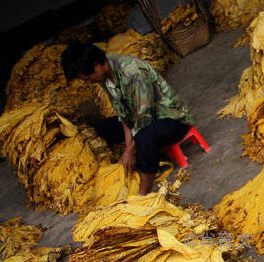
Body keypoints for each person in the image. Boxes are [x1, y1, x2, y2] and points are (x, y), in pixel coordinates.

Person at [61, 42, 192, 195]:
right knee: (101, 129)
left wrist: (129, 151)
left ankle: (143, 195)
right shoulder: (105, 76)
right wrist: (128, 149)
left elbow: (143, 120)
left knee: (144, 137)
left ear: (97, 65)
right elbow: (124, 116)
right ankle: (144, 159)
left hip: (173, 119)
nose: (88, 82)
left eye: (87, 78)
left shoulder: (132, 72)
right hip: (143, 120)